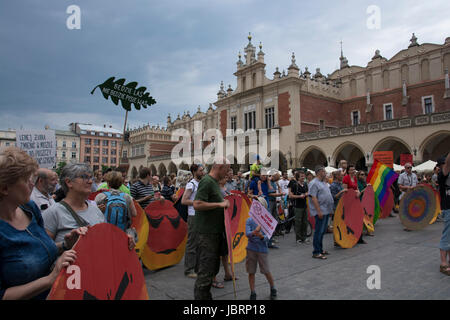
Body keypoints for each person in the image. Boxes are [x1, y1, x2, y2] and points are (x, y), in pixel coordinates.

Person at [0, 147, 84, 300]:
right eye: (26, 180)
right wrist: (50, 279)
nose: (32, 185)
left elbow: (40, 248)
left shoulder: (29, 208)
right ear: (5, 188)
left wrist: (65, 244)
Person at [43, 163, 135, 249]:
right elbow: (43, 250)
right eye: (84, 177)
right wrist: (65, 245)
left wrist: (124, 240)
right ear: (69, 182)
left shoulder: (96, 210)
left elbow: (106, 240)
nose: (90, 181)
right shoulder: (53, 212)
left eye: (91, 177)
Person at [193, 158, 231, 300]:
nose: (227, 174)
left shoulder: (215, 183)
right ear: (219, 167)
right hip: (206, 234)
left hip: (215, 233)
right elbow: (197, 204)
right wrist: (219, 205)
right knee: (205, 272)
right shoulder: (207, 181)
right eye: (226, 170)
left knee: (212, 269)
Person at [245, 216, 277, 300]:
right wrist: (255, 232)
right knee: (251, 272)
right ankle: (253, 293)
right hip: (251, 249)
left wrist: (261, 236)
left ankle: (273, 288)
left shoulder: (267, 221)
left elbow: (268, 237)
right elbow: (247, 234)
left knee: (266, 271)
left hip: (262, 250)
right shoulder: (249, 220)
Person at [182, 164, 204, 279]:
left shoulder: (201, 183)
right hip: (193, 216)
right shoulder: (191, 184)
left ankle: (197, 267)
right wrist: (196, 203)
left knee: (200, 243)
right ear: (194, 172)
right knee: (192, 243)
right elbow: (184, 201)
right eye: (201, 170)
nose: (203, 172)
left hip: (200, 216)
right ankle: (189, 269)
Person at [309, 165, 334, 259]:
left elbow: (327, 195)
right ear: (319, 172)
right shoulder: (314, 183)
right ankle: (316, 252)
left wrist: (330, 209)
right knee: (318, 231)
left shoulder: (323, 182)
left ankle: (320, 249)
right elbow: (314, 197)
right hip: (320, 211)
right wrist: (318, 211)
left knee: (322, 231)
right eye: (324, 171)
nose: (325, 173)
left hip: (326, 210)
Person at [438, 154, 450, 276]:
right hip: (448, 208)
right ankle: (443, 263)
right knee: (447, 235)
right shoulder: (442, 175)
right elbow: (447, 164)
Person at [288, 171, 309, 244]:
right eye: (301, 176)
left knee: (305, 222)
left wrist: (306, 194)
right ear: (298, 178)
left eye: (303, 176)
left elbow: (307, 192)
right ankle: (298, 238)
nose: (303, 177)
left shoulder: (305, 185)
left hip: (304, 206)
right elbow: (290, 195)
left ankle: (304, 237)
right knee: (298, 222)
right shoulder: (295, 185)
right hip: (297, 206)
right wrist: (299, 196)